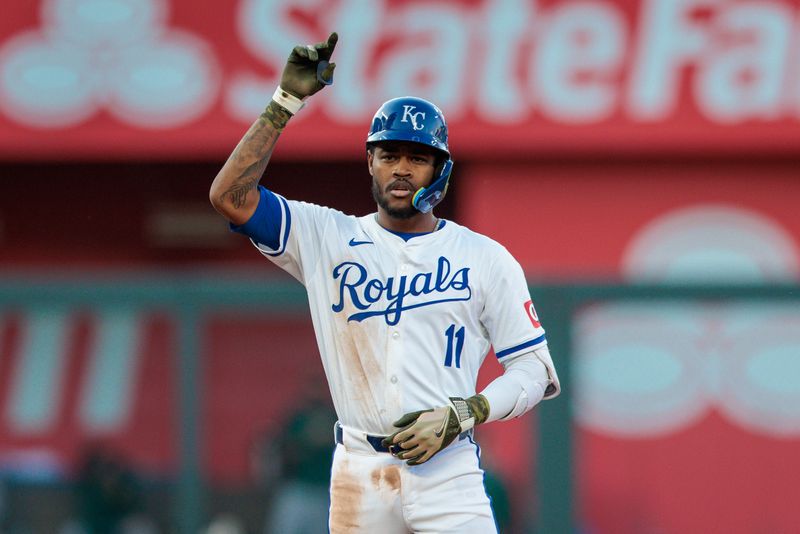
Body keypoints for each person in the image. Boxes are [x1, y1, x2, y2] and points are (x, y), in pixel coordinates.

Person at [209, 32, 561, 534]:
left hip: (449, 469)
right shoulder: (326, 235)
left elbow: (533, 369)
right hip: (359, 470)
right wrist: (283, 103)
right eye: (389, 154)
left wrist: (466, 412)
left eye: (417, 158)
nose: (401, 168)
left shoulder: (484, 257)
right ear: (370, 160)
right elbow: (230, 196)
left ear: (439, 170)